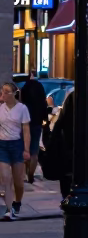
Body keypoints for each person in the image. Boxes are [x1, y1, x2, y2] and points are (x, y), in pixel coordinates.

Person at [0, 81, 30, 219]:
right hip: (3, 145)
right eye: (2, 92)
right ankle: (8, 209)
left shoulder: (22, 108)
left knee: (18, 181)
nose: (4, 95)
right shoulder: (1, 108)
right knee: (6, 178)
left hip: (16, 145)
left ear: (14, 94)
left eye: (7, 92)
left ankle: (17, 202)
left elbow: (25, 130)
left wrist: (26, 149)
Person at [18, 70, 48, 184]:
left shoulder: (25, 89)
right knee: (34, 150)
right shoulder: (39, 88)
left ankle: (26, 172)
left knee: (25, 148)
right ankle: (31, 174)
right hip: (37, 122)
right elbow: (44, 108)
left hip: (25, 122)